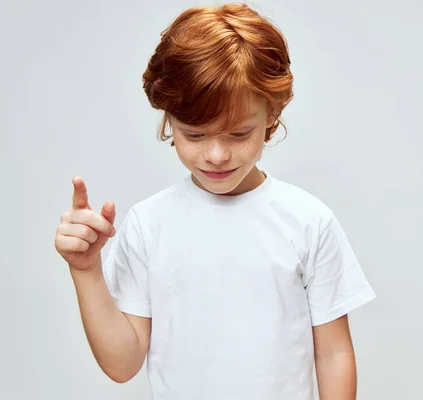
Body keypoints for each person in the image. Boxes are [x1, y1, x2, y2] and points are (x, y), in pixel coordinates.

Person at [54, 3, 376, 399]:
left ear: (271, 115)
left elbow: (333, 352)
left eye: (238, 134)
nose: (217, 155)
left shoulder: (308, 221)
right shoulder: (149, 224)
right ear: (168, 118)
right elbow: (122, 365)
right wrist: (87, 272)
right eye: (194, 134)